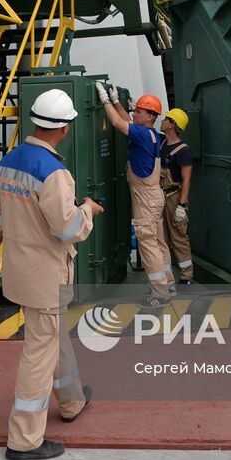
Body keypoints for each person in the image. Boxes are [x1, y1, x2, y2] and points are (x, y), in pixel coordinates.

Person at [0, 88, 104, 460]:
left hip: (21, 273)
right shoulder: (55, 173)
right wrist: (88, 211)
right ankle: (24, 441)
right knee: (39, 353)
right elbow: (67, 230)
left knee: (52, 335)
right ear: (64, 128)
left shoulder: (9, 162)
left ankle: (71, 401)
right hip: (47, 277)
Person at [97, 81, 173, 307]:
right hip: (154, 197)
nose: (134, 113)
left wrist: (105, 100)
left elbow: (118, 122)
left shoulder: (142, 135)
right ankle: (167, 284)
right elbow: (128, 121)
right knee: (159, 243)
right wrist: (117, 101)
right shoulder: (151, 135)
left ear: (150, 116)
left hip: (145, 199)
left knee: (148, 245)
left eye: (139, 111)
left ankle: (160, 295)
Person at [160, 107, 195, 285]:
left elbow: (186, 180)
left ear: (173, 124)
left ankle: (186, 277)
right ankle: (167, 278)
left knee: (179, 238)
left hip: (175, 198)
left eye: (166, 119)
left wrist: (181, 206)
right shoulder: (163, 144)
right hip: (161, 197)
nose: (162, 121)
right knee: (163, 239)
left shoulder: (183, 150)